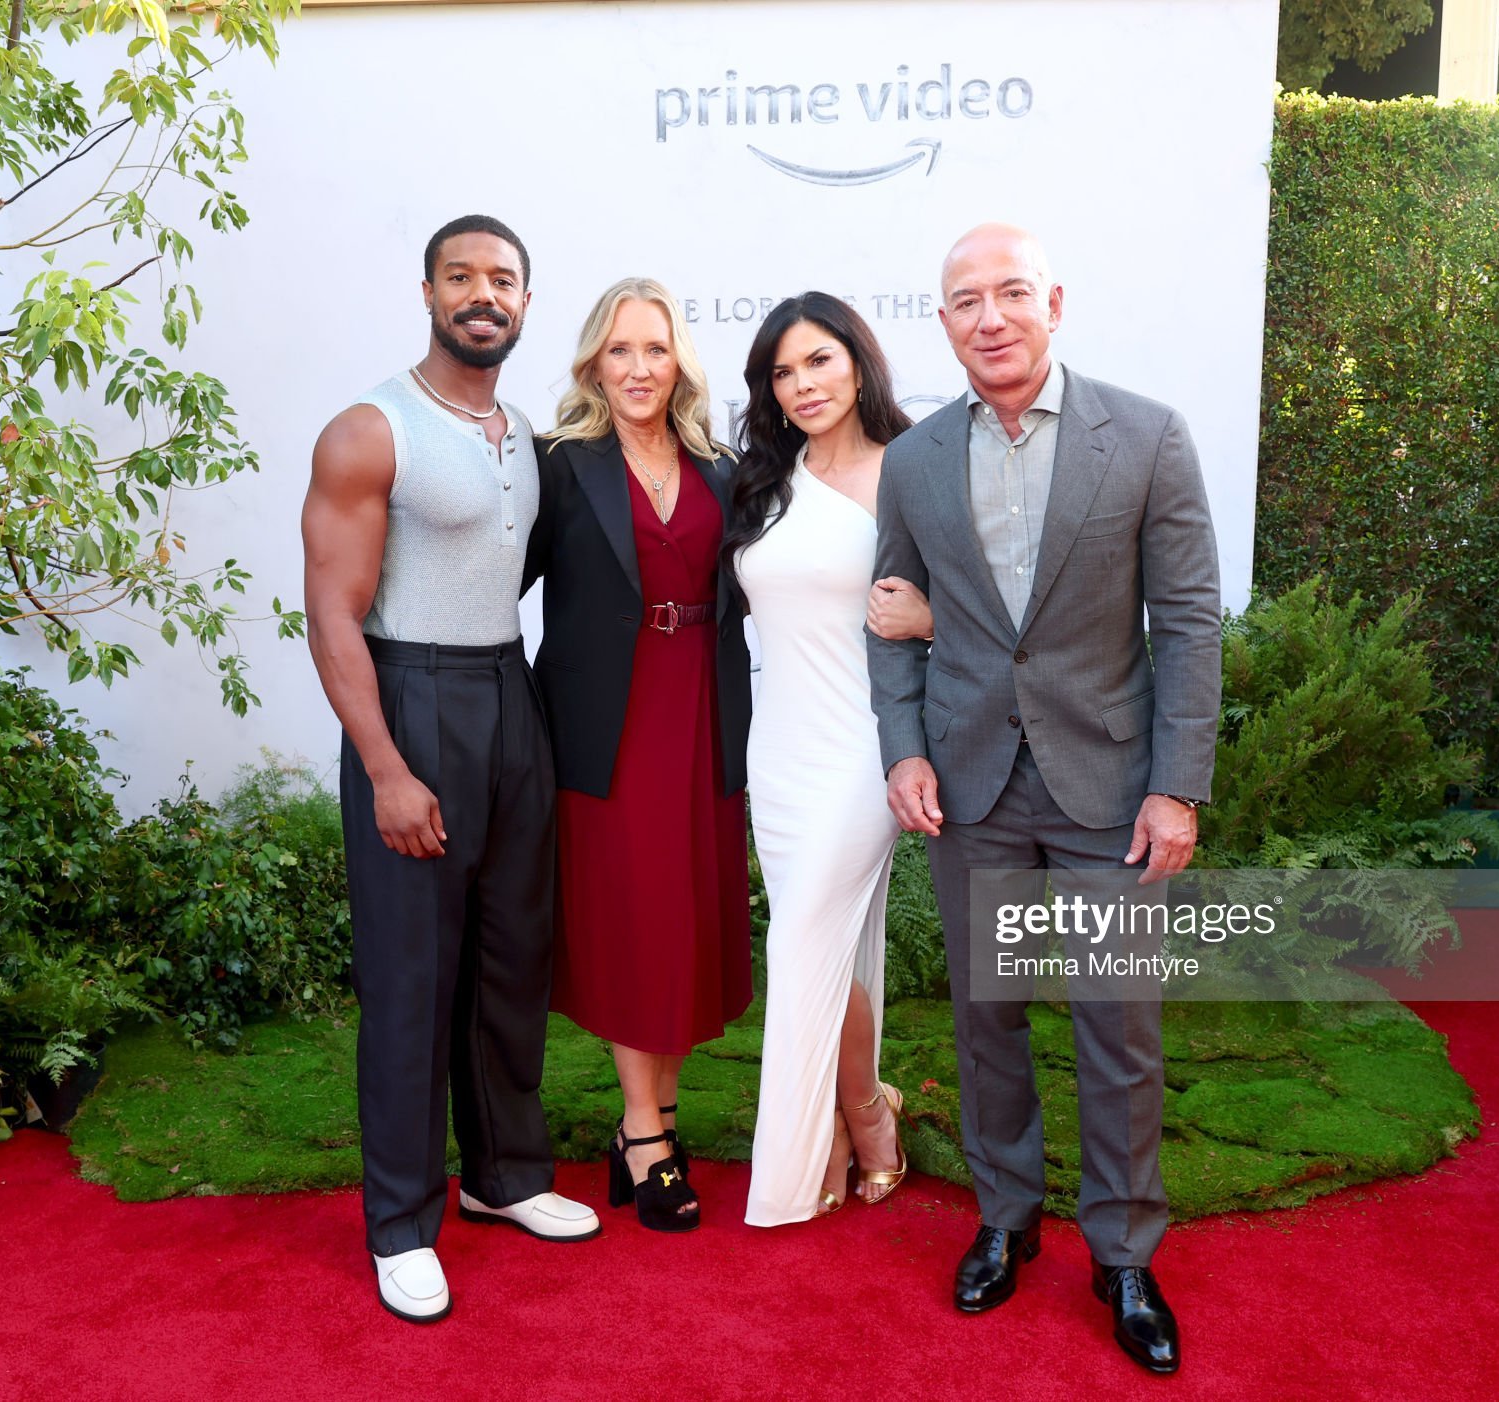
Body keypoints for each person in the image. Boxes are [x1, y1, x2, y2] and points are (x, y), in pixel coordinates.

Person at [865, 224, 1221, 1375]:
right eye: (965, 300)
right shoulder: (914, 461)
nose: (990, 317)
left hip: (1107, 789)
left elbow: (1188, 622)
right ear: (943, 323)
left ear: (1051, 302)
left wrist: (1174, 786)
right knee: (985, 1019)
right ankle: (1005, 1218)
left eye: (1010, 292)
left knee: (1116, 1026)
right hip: (970, 786)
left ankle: (1122, 1253)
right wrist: (903, 750)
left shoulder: (1147, 435)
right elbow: (890, 618)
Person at [302, 214, 600, 1326]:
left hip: (508, 693)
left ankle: (504, 1175)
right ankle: (399, 1223)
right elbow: (332, 614)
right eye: (461, 276)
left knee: (511, 958)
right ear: (428, 293)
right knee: (411, 978)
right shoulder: (369, 430)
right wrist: (385, 767)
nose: (484, 294)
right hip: (412, 697)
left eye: (503, 279)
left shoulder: (526, 436)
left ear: (524, 300)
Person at [522, 278, 753, 1233]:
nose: (638, 368)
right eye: (620, 350)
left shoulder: (722, 468)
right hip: (605, 725)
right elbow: (494, 577)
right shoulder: (557, 465)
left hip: (704, 713)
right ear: (593, 364)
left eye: (655, 348)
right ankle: (647, 1133)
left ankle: (650, 1124)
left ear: (679, 362)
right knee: (633, 924)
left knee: (688, 921)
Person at [726, 293, 932, 1225]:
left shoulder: (912, 468)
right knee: (821, 940)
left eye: (819, 361)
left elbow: (992, 606)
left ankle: (843, 1128)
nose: (802, 384)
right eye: (783, 372)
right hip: (779, 747)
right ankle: (865, 1108)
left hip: (866, 746)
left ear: (858, 362)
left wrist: (932, 618)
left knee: (802, 936)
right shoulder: (764, 480)